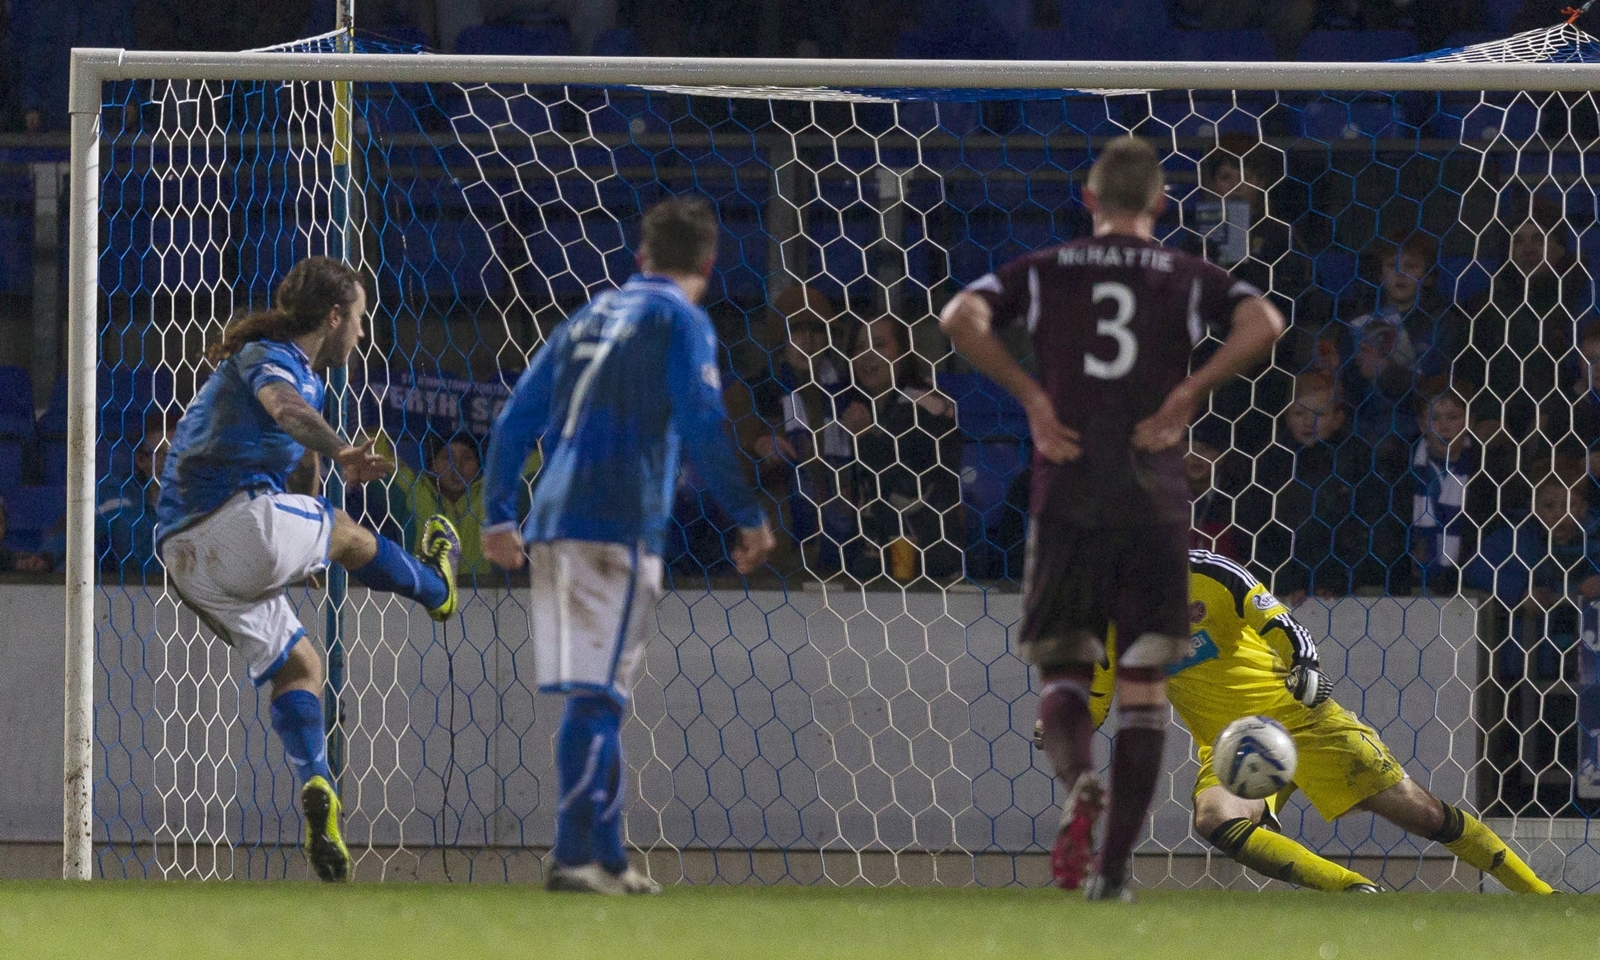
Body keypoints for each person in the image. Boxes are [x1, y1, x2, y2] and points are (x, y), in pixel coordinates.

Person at [938, 135, 1285, 901]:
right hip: (1153, 502)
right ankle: (1114, 870)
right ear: (1161, 206)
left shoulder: (1051, 269)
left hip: (1066, 495)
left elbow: (959, 315)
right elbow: (1264, 321)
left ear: (1089, 201)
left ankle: (1077, 781)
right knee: (1142, 688)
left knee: (1064, 671)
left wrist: (1031, 399)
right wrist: (1187, 396)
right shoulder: (1181, 272)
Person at [481, 196, 775, 895]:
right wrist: (747, 513)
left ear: (639, 257)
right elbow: (704, 419)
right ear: (708, 263)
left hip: (553, 522)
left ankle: (607, 858)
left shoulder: (588, 314)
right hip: (612, 522)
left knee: (601, 692)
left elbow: (516, 416)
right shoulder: (681, 319)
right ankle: (575, 855)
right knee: (594, 696)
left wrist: (497, 516)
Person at [156, 256, 463, 883]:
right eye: (360, 317)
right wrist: (344, 450)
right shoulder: (273, 358)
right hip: (232, 521)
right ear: (333, 315)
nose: (363, 331)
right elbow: (286, 409)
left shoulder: (283, 370)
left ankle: (317, 787)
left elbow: (296, 472)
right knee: (351, 533)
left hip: (183, 558)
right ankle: (438, 588)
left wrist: (309, 547)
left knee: (299, 666)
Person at [1055, 549, 1556, 894]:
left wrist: (1306, 666)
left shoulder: (1210, 574)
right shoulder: (1107, 618)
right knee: (1214, 818)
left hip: (1302, 720)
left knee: (1423, 814)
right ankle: (1354, 889)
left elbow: (1279, 623)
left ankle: (1538, 893)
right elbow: (1098, 693)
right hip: (1236, 747)